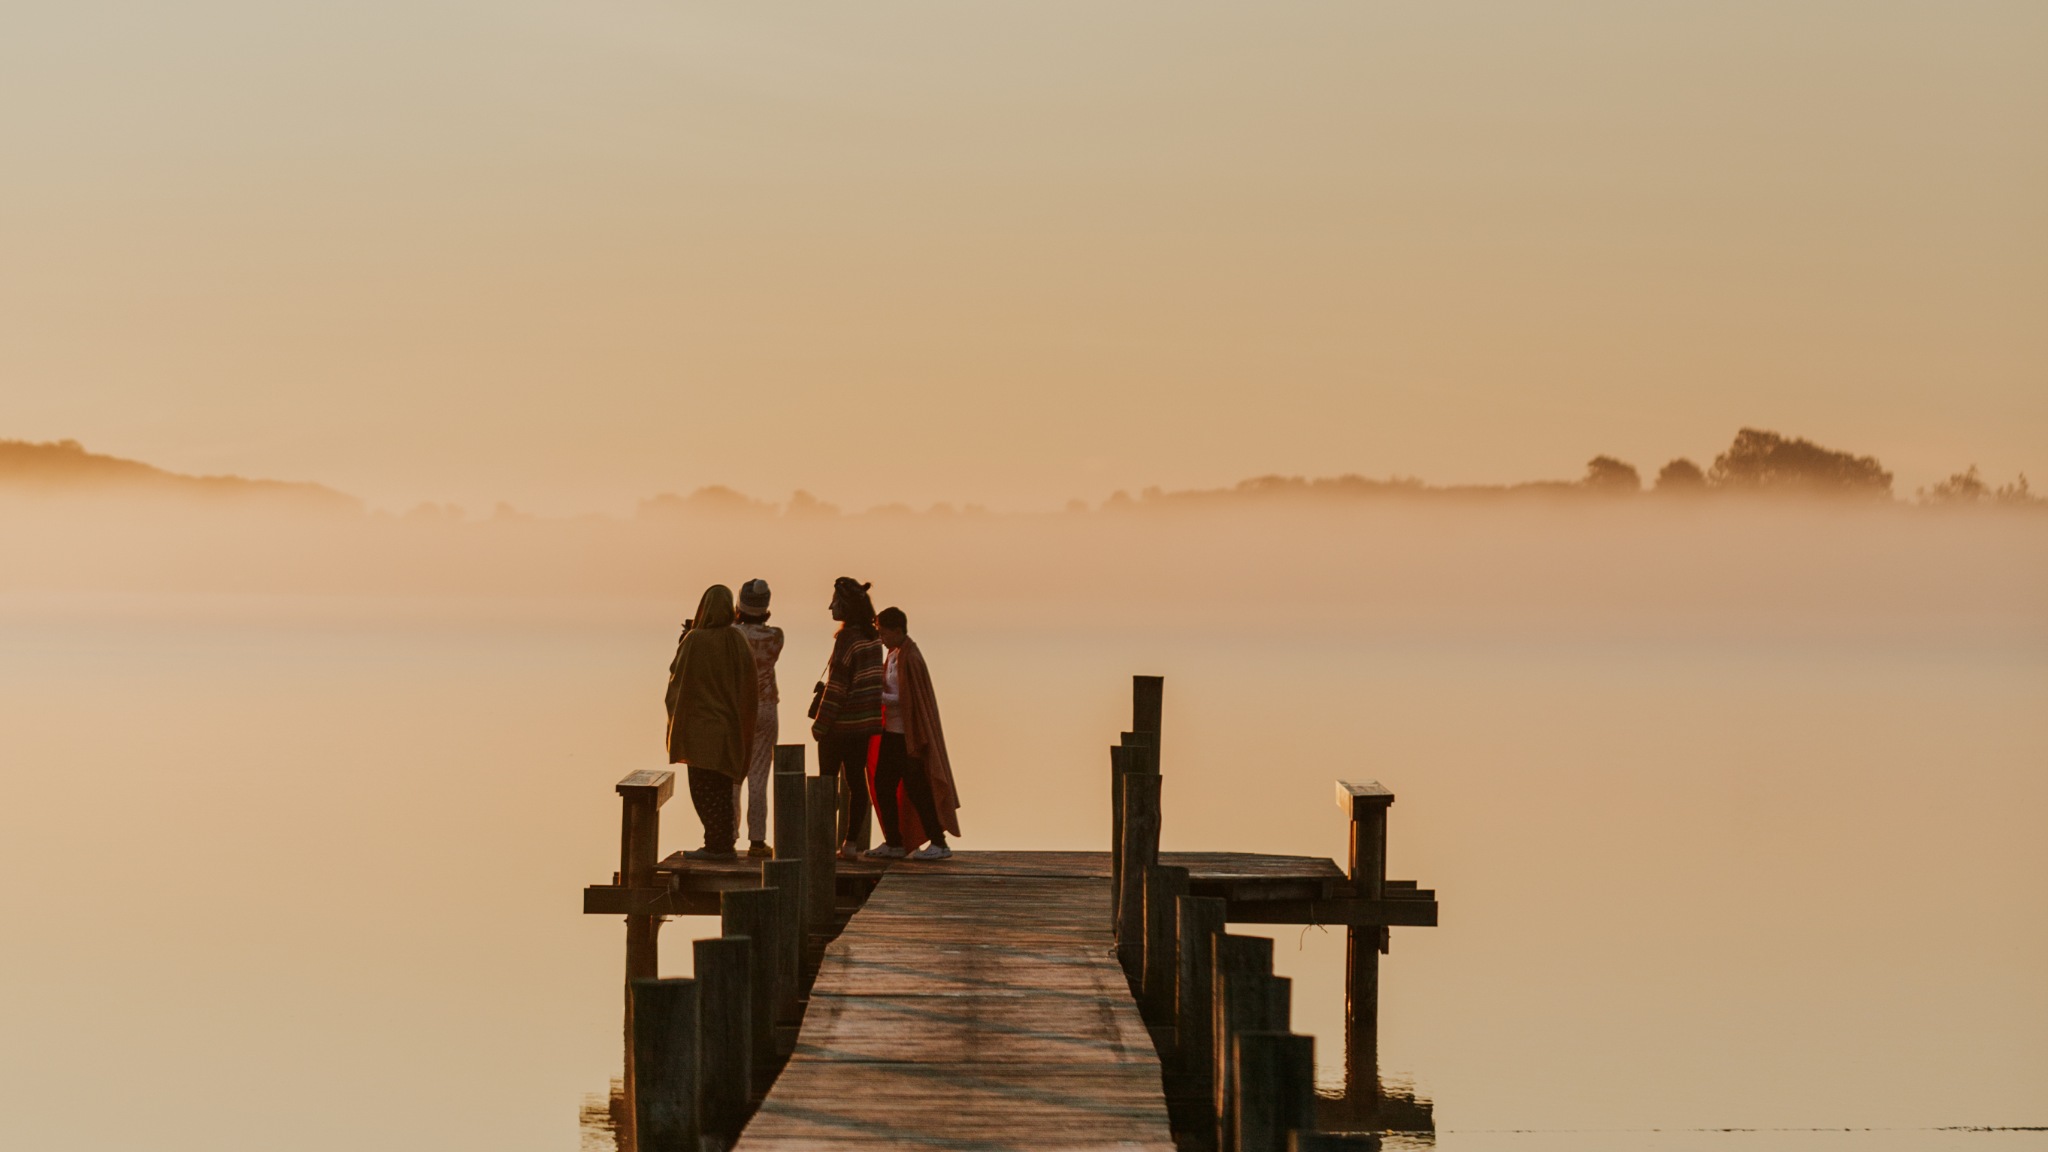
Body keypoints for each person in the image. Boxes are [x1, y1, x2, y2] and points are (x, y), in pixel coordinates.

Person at [664, 584, 759, 861]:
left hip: (700, 730)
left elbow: (677, 678)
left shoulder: (694, 640)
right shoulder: (737, 639)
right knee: (722, 788)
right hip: (728, 728)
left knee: (704, 790)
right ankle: (722, 841)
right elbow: (749, 685)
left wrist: (684, 639)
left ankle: (716, 845)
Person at [865, 606, 961, 861]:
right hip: (892, 733)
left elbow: (908, 699)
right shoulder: (894, 654)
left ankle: (939, 843)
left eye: (884, 633)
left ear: (897, 631)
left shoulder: (911, 656)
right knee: (883, 785)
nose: (881, 638)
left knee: (918, 790)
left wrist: (878, 696)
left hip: (909, 737)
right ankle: (895, 842)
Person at [810, 577, 885, 861]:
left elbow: (837, 688)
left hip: (839, 725)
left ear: (846, 606)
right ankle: (851, 843)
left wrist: (820, 725)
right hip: (864, 726)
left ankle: (822, 844)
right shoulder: (874, 637)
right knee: (856, 784)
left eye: (835, 601)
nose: (830, 606)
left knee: (825, 786)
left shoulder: (846, 639)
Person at [733, 578, 784, 859]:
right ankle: (757, 840)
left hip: (739, 708)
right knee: (759, 776)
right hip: (766, 707)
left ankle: (728, 836)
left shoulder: (732, 634)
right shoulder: (776, 636)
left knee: (733, 775)